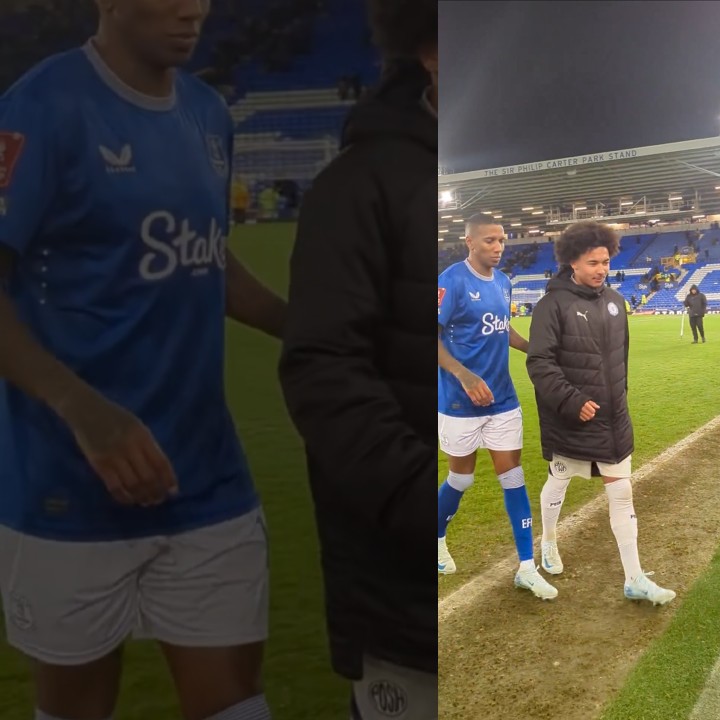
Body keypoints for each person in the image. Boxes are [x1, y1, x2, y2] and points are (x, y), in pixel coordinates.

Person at [0, 1, 288, 719]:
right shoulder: (40, 106)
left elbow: (206, 257)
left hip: (208, 482)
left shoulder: (208, 112)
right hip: (67, 489)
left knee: (235, 706)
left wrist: (305, 325)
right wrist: (83, 409)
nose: (193, 7)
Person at [276, 0, 438, 717]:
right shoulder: (360, 184)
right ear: (430, 48)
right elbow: (324, 372)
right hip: (411, 595)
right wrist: (431, 504)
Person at [527, 221, 677, 606]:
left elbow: (620, 361)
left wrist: (619, 402)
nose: (601, 269)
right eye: (593, 262)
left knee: (622, 494)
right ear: (572, 262)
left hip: (613, 422)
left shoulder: (614, 301)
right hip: (570, 420)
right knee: (557, 483)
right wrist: (572, 401)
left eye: (606, 262)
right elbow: (539, 362)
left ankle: (634, 578)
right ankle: (548, 541)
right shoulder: (551, 305)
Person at [435, 214, 557, 599]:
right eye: (490, 240)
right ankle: (436, 537)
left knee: (513, 477)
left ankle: (526, 566)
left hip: (502, 400)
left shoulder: (504, 282)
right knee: (462, 479)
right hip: (458, 401)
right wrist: (464, 376)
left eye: (502, 240)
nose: (499, 247)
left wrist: (537, 349)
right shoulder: (451, 281)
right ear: (469, 241)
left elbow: (503, 329)